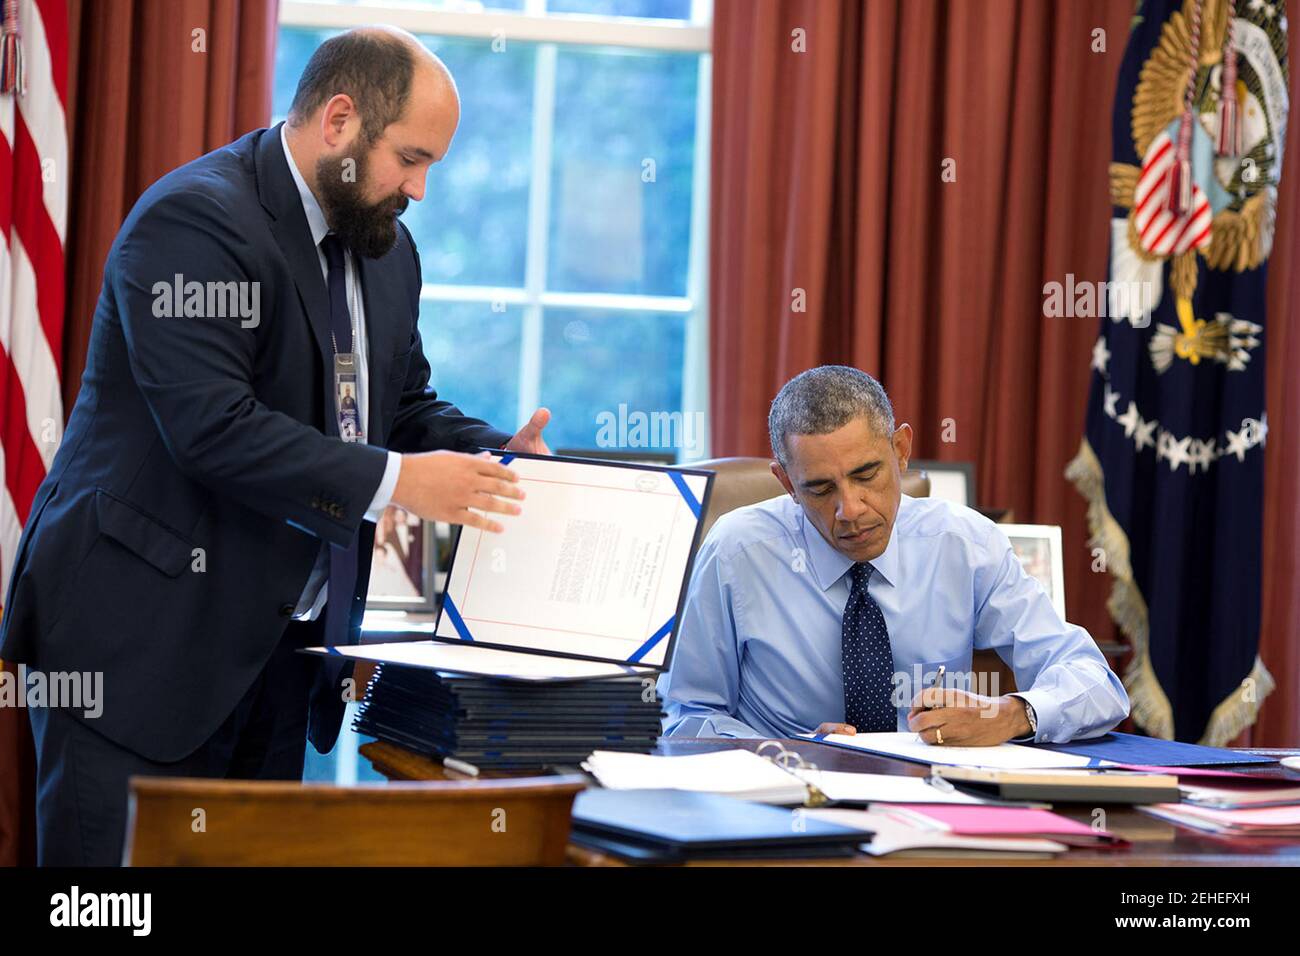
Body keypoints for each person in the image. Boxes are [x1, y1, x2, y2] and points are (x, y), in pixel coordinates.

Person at [0, 27, 550, 865]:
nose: (421, 189)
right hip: (135, 647)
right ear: (339, 122)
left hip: (280, 659)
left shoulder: (388, 249)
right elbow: (213, 431)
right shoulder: (195, 220)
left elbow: (397, 408)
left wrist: (493, 457)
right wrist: (408, 485)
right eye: (411, 158)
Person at [659, 365, 1129, 744]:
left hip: (937, 807)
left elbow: (1095, 681)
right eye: (820, 488)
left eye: (867, 475)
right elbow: (686, 716)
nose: (850, 510)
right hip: (790, 812)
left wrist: (1012, 715)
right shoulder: (737, 552)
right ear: (786, 484)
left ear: (901, 451)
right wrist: (784, 753)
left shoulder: (964, 544)